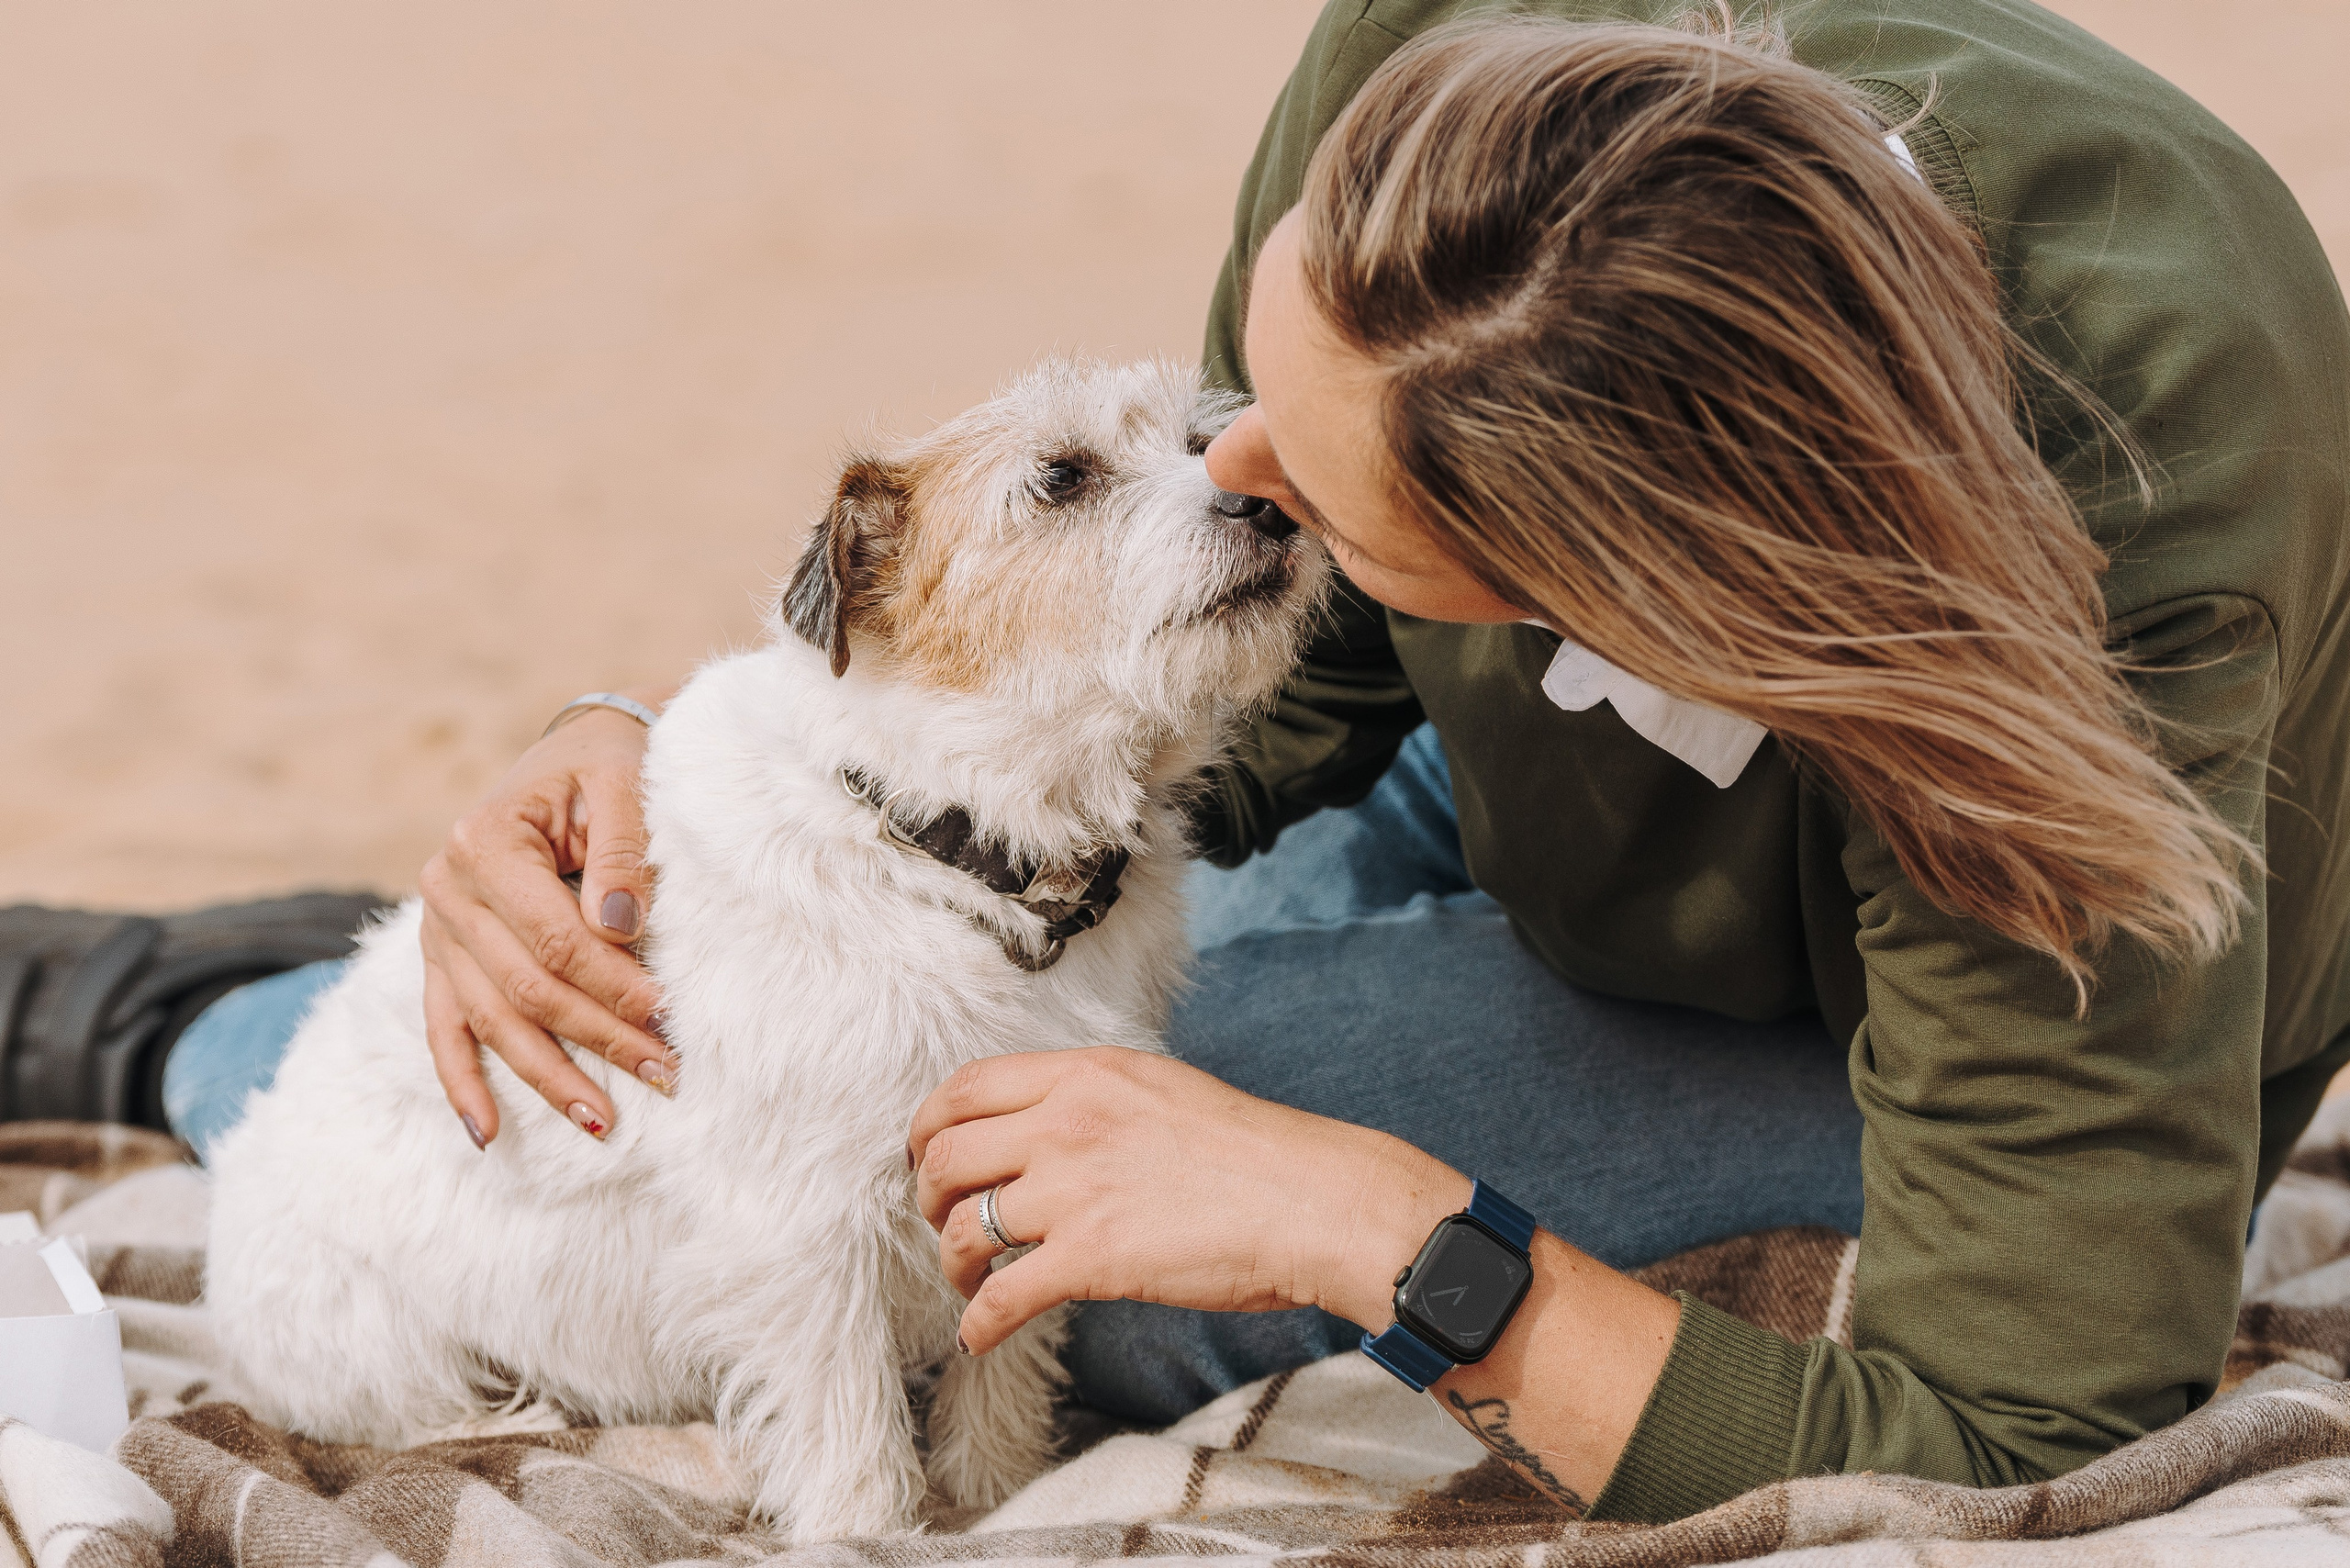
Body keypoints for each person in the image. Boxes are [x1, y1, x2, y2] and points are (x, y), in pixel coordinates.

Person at [6, 0, 2344, 1526]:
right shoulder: (1437, 85)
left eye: (1315, 502)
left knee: (994, 1222)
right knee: (827, 1066)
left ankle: (184, 1016)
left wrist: (1379, 1236)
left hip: (1920, 966)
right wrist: (659, 755)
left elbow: (2026, 1419)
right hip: (1456, 743)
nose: (1229, 460)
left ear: (1616, 597)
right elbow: (1159, 671)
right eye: (1253, 367)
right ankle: (221, 997)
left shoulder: (2122, 564)